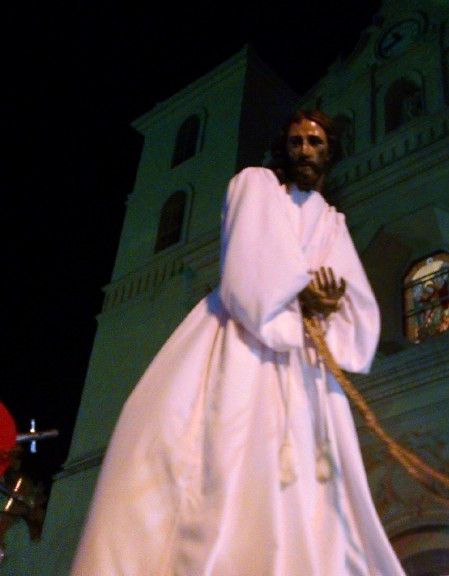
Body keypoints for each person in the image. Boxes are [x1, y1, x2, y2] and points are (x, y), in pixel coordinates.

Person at [70, 110, 406, 576]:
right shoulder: (257, 184)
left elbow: (352, 295)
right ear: (283, 149)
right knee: (224, 449)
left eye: (316, 143)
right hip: (241, 341)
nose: (306, 150)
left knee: (310, 487)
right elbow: (250, 263)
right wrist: (298, 290)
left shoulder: (331, 220)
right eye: (297, 142)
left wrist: (328, 303)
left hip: (303, 362)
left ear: (330, 151)